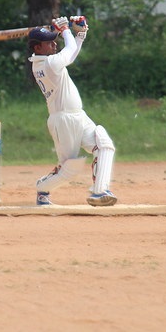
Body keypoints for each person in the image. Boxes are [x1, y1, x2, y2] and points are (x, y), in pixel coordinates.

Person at [28, 15, 117, 207]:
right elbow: (68, 52)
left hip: (78, 115)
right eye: (49, 43)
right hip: (63, 120)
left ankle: (99, 191)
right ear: (37, 48)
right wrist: (66, 30)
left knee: (104, 144)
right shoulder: (48, 64)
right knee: (70, 170)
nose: (54, 45)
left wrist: (80, 35)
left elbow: (70, 53)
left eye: (54, 41)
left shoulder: (49, 61)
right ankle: (42, 188)